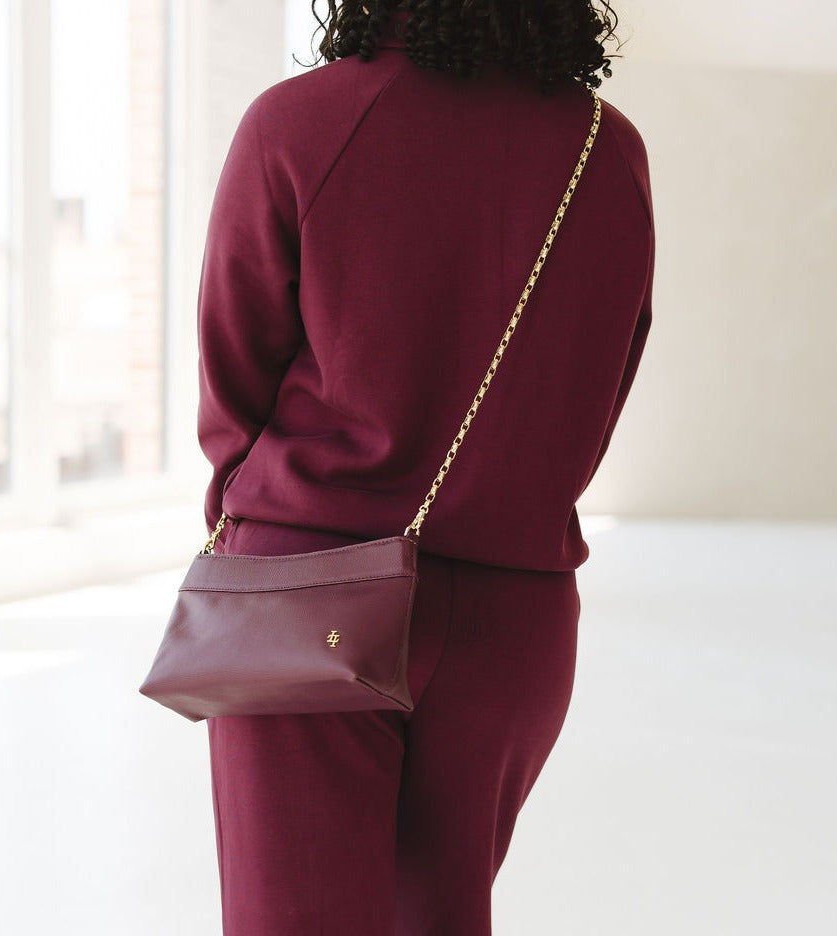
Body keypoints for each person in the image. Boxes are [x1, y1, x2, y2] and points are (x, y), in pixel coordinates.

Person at [198, 1, 654, 932]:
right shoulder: (607, 148)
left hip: (307, 588)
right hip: (513, 609)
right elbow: (604, 380)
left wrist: (255, 530)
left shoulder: (297, 123)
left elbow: (233, 371)